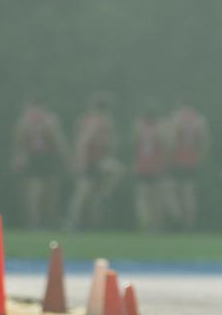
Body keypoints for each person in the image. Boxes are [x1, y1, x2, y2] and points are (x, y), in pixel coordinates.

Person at [66, 93, 123, 230]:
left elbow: (108, 143)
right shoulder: (98, 121)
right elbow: (83, 141)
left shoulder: (91, 120)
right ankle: (73, 222)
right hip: (91, 161)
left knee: (88, 193)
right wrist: (81, 161)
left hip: (97, 161)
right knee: (83, 192)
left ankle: (91, 217)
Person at [10, 97, 68, 228]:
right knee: (46, 193)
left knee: (36, 193)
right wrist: (65, 158)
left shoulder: (24, 120)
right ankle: (42, 221)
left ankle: (36, 222)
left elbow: (18, 142)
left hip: (35, 157)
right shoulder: (50, 119)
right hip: (44, 157)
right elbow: (59, 141)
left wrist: (17, 157)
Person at [166, 99, 210, 230]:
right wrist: (201, 157)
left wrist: (169, 158)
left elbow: (171, 141)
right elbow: (205, 141)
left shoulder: (176, 117)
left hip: (177, 160)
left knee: (172, 190)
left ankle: (178, 218)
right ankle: (188, 225)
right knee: (189, 193)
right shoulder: (199, 119)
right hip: (192, 160)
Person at [132, 100, 168, 231]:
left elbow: (135, 144)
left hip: (142, 166)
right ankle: (156, 226)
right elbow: (165, 145)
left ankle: (143, 222)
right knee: (157, 198)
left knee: (142, 197)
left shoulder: (138, 126)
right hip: (156, 166)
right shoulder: (160, 127)